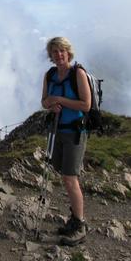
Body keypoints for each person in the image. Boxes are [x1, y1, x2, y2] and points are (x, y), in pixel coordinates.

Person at [41, 37, 90, 246]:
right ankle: (74, 220)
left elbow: (86, 105)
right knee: (65, 175)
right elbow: (44, 101)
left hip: (75, 132)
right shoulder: (50, 75)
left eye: (62, 51)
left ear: (68, 53)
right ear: (51, 55)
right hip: (57, 131)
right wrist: (51, 105)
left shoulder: (77, 73)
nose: (59, 55)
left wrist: (59, 100)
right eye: (55, 51)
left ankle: (80, 226)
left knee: (70, 178)